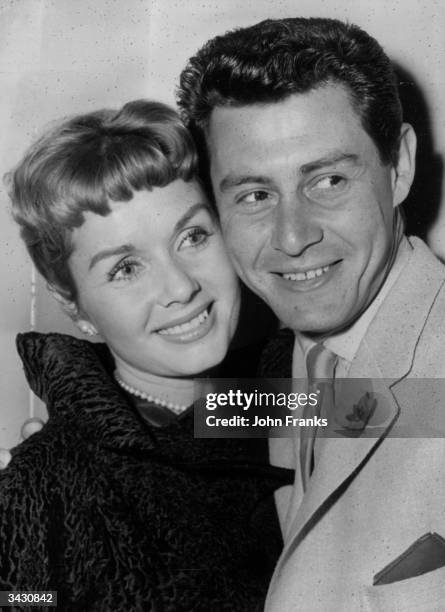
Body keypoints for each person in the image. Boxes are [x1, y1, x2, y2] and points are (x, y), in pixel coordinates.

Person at [178, 17, 445, 611]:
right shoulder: (276, 374)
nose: (292, 237)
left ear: (398, 166)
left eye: (327, 180)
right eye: (254, 195)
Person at [1, 99, 293, 611]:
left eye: (193, 236)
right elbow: (20, 600)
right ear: (75, 306)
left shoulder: (261, 401)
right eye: (126, 269)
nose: (180, 286)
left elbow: (419, 409)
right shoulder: (44, 482)